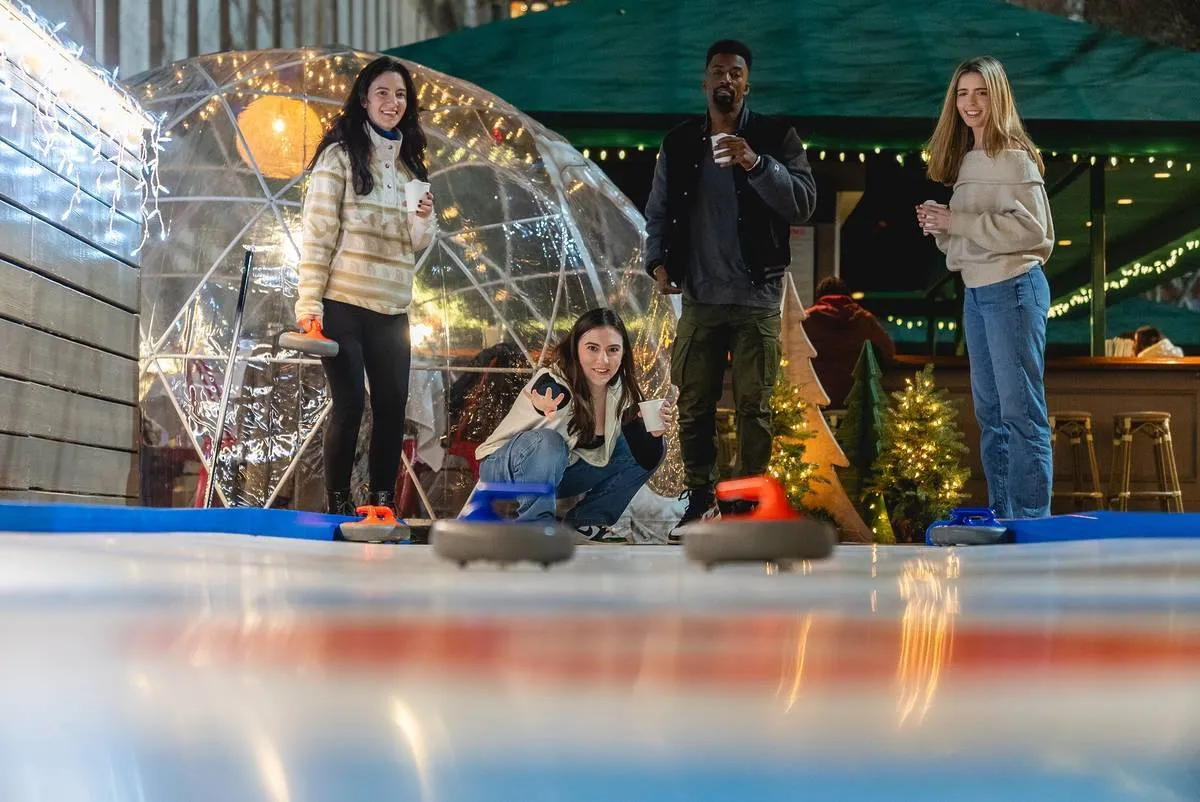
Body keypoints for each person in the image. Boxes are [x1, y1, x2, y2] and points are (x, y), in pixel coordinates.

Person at [643, 39, 817, 537]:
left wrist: (756, 164)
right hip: (699, 295)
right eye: (718, 71)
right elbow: (658, 211)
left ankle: (743, 506)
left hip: (757, 297)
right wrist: (658, 262)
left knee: (754, 408)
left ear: (747, 83)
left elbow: (803, 203)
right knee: (693, 403)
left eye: (735, 73)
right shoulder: (678, 142)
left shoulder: (774, 135)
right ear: (705, 82)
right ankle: (700, 501)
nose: (726, 80)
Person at [295, 56, 435, 515]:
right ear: (363, 99)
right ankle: (337, 503)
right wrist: (309, 303)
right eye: (382, 93)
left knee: (393, 408)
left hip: (393, 307)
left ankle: (380, 502)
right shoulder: (338, 158)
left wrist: (423, 221)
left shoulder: (412, 170)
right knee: (351, 405)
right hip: (343, 303)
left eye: (400, 95)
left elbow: (415, 247)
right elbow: (318, 235)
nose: (392, 102)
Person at [917, 56, 1054, 520]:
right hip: (978, 292)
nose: (971, 103)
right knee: (992, 418)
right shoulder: (968, 161)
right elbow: (971, 243)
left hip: (1014, 289)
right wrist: (942, 226)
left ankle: (1030, 520)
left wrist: (957, 219)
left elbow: (1036, 234)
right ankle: (1003, 515)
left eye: (981, 93)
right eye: (962, 93)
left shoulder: (1014, 157)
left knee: (1019, 415)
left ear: (998, 97)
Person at [472, 308, 675, 544]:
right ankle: (535, 527)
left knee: (653, 446)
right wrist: (543, 404)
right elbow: (545, 391)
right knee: (548, 442)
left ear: (623, 353)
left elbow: (642, 460)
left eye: (613, 350)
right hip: (503, 468)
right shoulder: (555, 381)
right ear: (576, 348)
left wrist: (652, 436)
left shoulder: (620, 393)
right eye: (592, 348)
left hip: (559, 474)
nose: (603, 360)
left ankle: (585, 522)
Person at [802, 276, 896, 408]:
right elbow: (889, 352)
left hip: (815, 399)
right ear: (847, 295)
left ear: (819, 296)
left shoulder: (806, 319)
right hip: (854, 400)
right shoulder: (864, 319)